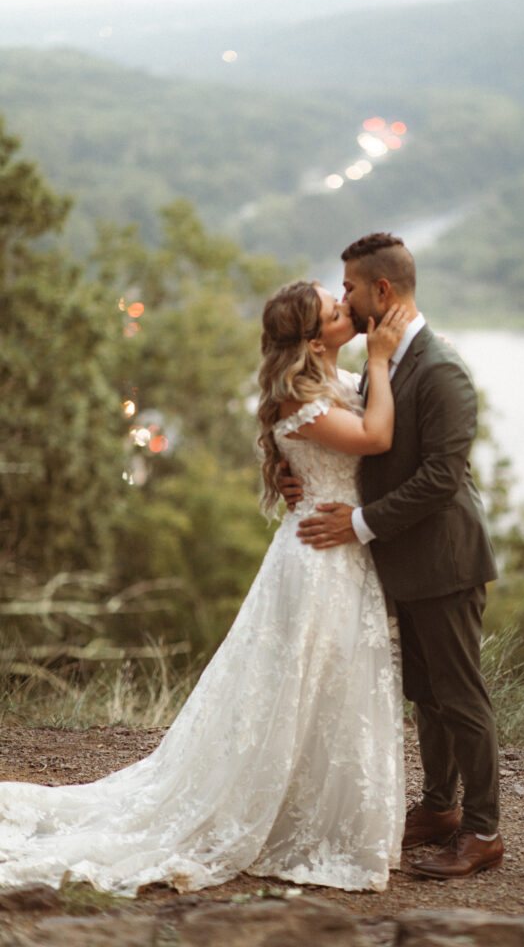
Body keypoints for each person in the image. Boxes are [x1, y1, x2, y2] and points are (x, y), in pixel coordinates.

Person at [0, 280, 409, 896]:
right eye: (333, 309)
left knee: (329, 688)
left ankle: (319, 810)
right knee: (299, 685)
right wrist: (380, 357)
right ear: (310, 338)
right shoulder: (300, 397)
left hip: (340, 548)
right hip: (319, 559)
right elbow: (375, 439)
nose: (345, 311)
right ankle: (282, 816)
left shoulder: (334, 380)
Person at [285, 234, 503, 879]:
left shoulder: (441, 369)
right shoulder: (387, 360)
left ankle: (485, 831)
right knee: (427, 695)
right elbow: (329, 422)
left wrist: (357, 522)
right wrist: (298, 471)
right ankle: (439, 808)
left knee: (461, 697)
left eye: (349, 287)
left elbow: (441, 477)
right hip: (402, 561)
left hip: (445, 561)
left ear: (382, 291)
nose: (344, 298)